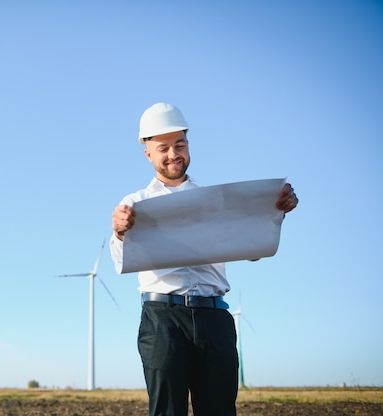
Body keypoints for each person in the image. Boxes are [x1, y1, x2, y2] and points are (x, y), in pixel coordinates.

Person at [109, 103, 298, 416]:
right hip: (162, 320)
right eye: (163, 148)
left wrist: (275, 211)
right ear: (148, 154)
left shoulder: (218, 200)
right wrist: (118, 233)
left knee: (219, 410)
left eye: (180, 145)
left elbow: (251, 250)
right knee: (168, 411)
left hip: (215, 319)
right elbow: (121, 261)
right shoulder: (133, 205)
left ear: (188, 145)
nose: (173, 154)